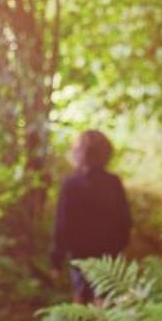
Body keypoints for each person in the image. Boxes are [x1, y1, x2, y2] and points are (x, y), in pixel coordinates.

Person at [51, 128, 132, 303]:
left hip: (81, 258)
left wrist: (56, 261)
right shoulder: (113, 183)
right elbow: (125, 222)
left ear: (81, 154)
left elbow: (62, 226)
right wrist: (118, 249)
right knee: (104, 303)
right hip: (108, 257)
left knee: (82, 304)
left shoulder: (70, 184)